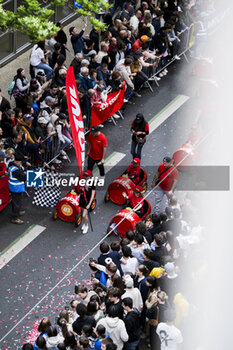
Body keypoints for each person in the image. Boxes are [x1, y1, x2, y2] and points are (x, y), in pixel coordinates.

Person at [8, 156, 26, 224]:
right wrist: (24, 173)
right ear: (16, 162)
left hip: (14, 187)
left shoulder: (11, 166)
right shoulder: (15, 170)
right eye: (20, 163)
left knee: (15, 202)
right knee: (17, 203)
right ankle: (15, 218)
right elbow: (23, 177)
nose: (20, 164)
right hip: (16, 188)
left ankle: (17, 212)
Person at [77, 170, 96, 234]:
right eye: (84, 175)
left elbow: (92, 195)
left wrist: (89, 204)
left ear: (90, 176)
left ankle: (87, 226)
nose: (85, 177)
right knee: (84, 214)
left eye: (86, 176)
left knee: (84, 215)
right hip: (82, 198)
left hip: (88, 200)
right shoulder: (83, 180)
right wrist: (81, 189)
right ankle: (84, 223)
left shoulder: (92, 183)